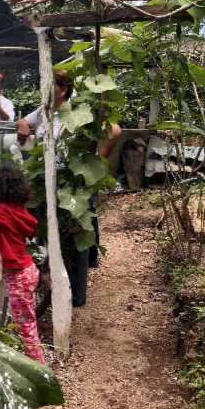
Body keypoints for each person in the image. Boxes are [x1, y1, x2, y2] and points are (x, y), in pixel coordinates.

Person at [15, 71, 122, 306]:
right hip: (50, 181)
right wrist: (23, 123)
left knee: (76, 232)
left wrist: (99, 160)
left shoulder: (76, 111)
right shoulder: (43, 111)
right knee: (58, 231)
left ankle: (75, 296)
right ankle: (58, 280)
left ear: (62, 90)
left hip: (74, 180)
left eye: (47, 84)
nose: (42, 87)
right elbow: (24, 121)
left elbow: (114, 130)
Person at [0, 165, 44, 364]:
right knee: (26, 322)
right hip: (26, 272)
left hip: (18, 276)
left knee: (26, 327)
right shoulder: (14, 209)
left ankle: (39, 370)